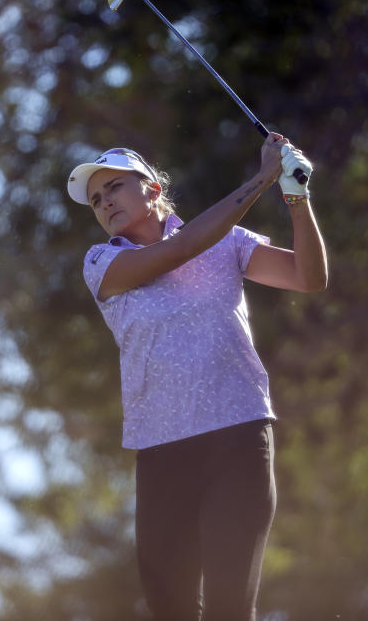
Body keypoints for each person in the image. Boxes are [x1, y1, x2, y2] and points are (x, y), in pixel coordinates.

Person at [66, 133, 328, 621]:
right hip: (163, 451)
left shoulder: (227, 240)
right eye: (97, 200)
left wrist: (296, 197)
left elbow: (309, 278)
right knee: (172, 609)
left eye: (115, 188)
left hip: (239, 437)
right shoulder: (103, 263)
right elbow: (182, 247)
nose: (104, 204)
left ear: (151, 189)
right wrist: (260, 180)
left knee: (231, 607)